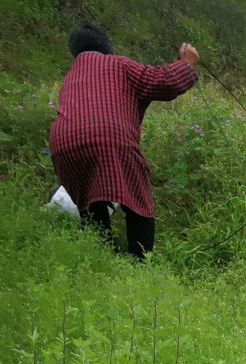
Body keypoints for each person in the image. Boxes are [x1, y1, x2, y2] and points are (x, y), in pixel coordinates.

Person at [49, 25, 199, 258]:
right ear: (108, 48)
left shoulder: (70, 78)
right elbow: (163, 81)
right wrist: (187, 63)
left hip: (63, 145)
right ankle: (141, 264)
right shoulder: (118, 64)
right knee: (138, 201)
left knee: (90, 204)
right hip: (108, 137)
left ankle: (101, 260)